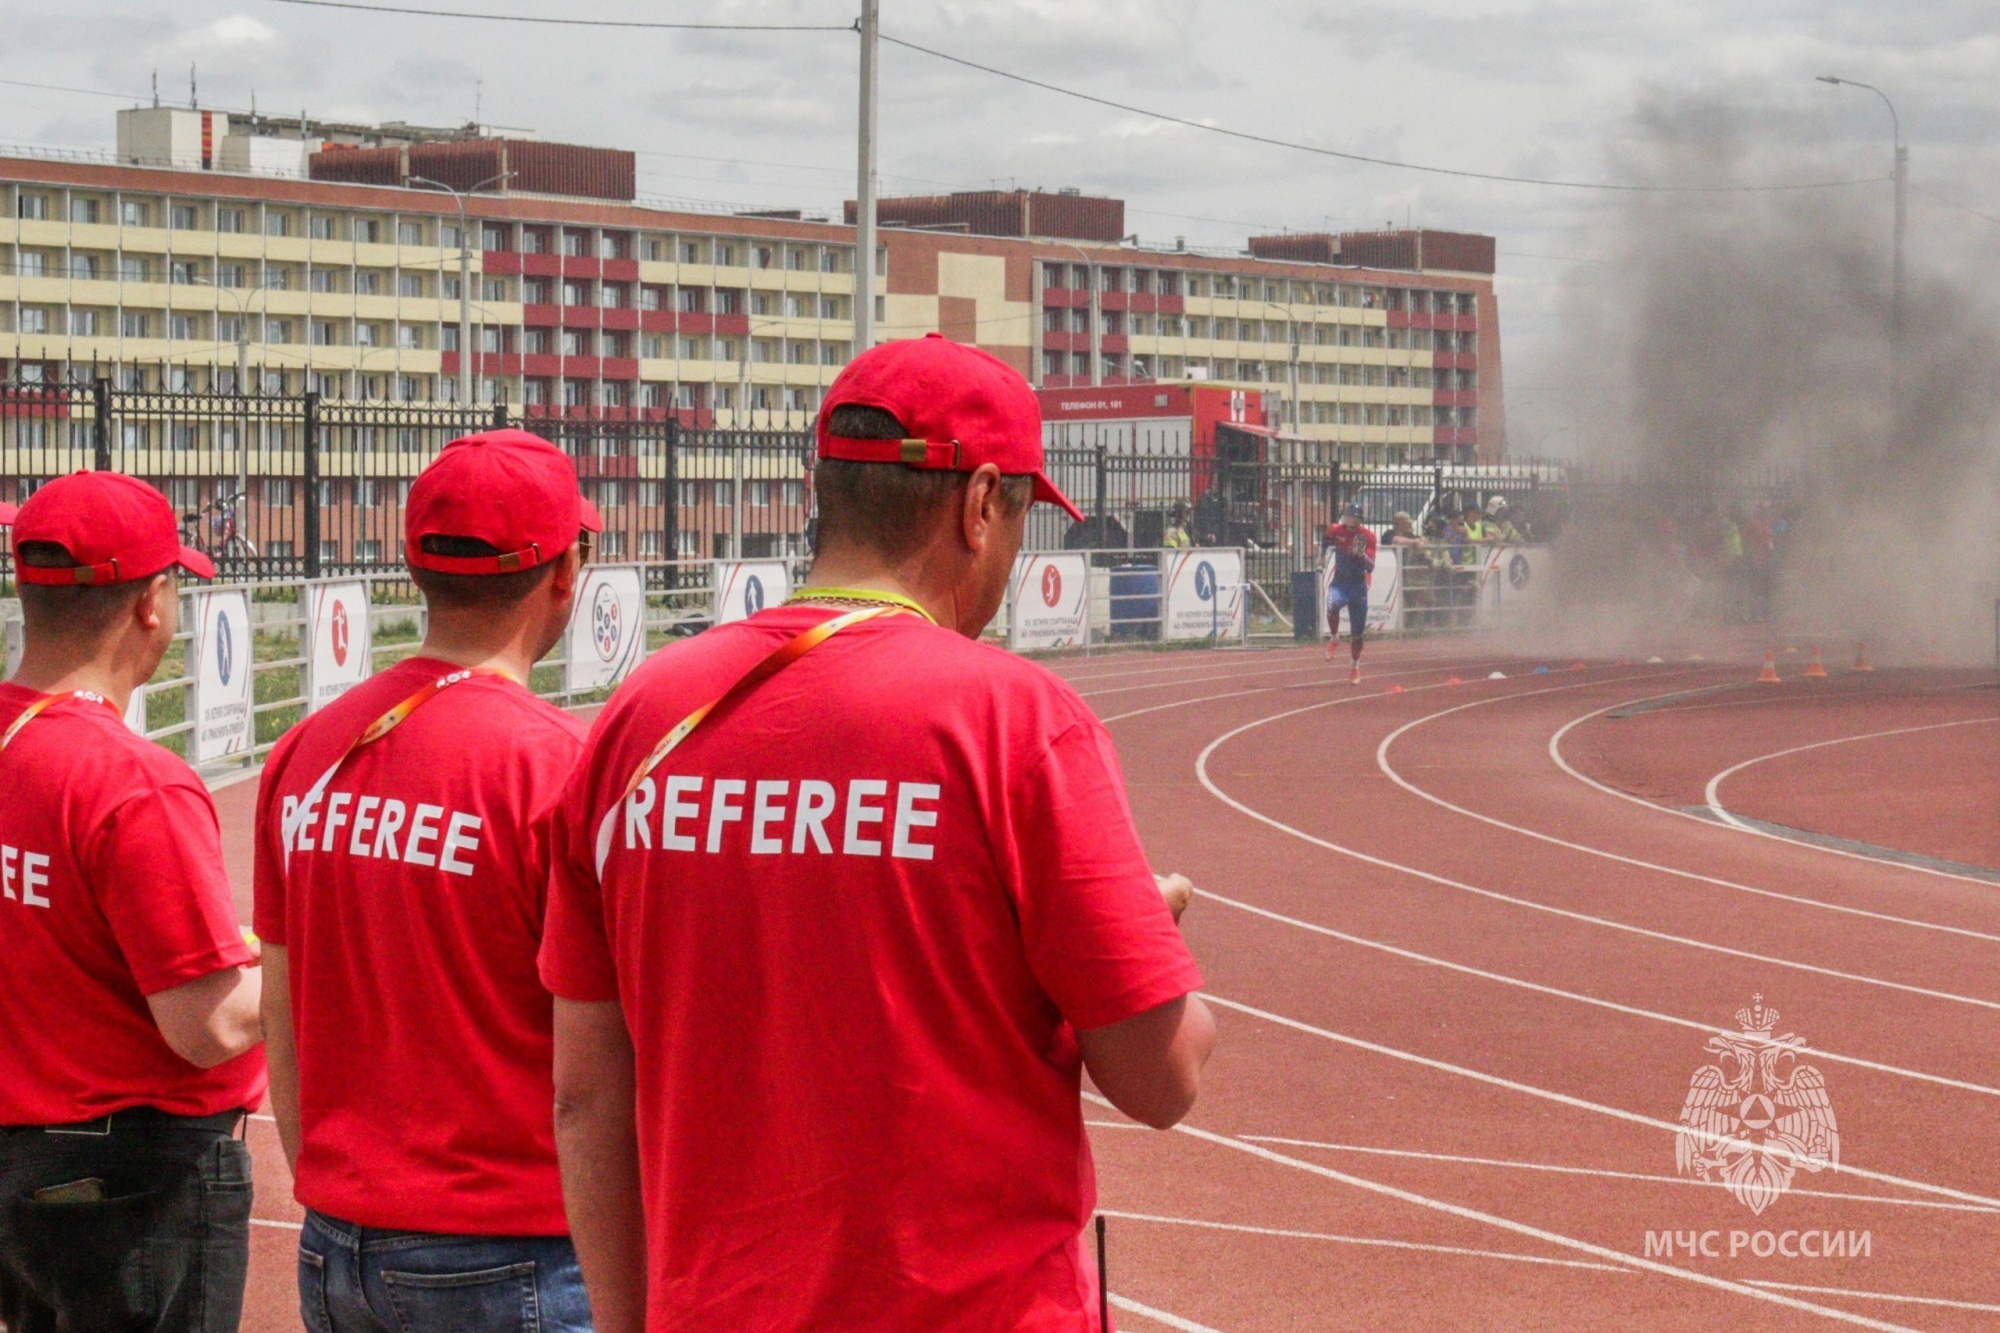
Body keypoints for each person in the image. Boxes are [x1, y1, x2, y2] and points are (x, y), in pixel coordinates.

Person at [543, 333, 1213, 1332]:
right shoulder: (1015, 721)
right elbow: (1161, 1078)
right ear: (979, 505)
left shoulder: (636, 720)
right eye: (1024, 517)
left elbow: (586, 1095)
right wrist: (1124, 949)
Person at [253, 430, 600, 1330]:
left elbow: (285, 1019)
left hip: (338, 1234)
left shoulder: (305, 752)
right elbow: (600, 1064)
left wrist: (336, 1191)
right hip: (517, 1245)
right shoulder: (562, 768)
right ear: (568, 571)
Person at [0, 473, 264, 1333]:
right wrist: (311, 956)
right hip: (134, 1180)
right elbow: (208, 1026)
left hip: (22, 1154)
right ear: (152, 602)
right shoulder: (131, 782)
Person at [1321, 501, 1377, 684]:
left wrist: (1361, 555)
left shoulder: (1367, 536)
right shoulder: (1337, 530)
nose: (1351, 520)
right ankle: (1335, 637)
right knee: (1331, 604)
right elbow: (1325, 539)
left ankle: (1355, 665)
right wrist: (1322, 557)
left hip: (1358, 586)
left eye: (1355, 517)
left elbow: (1371, 567)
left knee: (1357, 634)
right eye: (1349, 516)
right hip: (1340, 581)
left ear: (1360, 520)